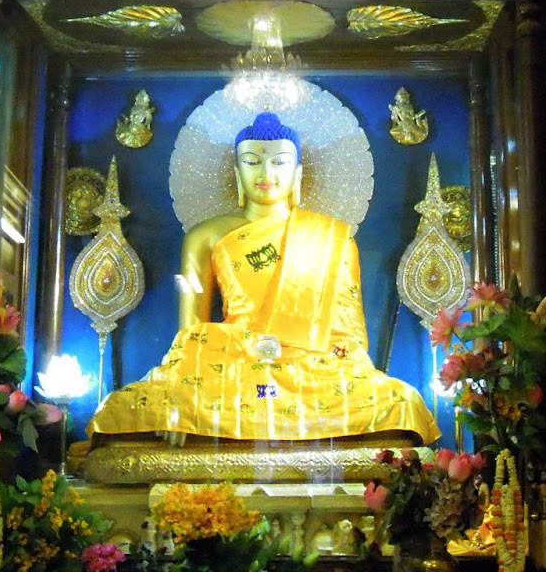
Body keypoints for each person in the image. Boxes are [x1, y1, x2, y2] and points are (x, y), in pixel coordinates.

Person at [88, 112, 440, 445]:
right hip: (234, 360)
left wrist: (341, 365)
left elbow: (348, 332)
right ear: (236, 170)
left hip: (313, 367)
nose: (266, 172)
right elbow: (190, 333)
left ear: (298, 173)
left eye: (280, 162)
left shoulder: (332, 236)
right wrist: (180, 400)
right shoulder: (204, 236)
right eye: (252, 161)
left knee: (402, 402)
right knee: (121, 408)